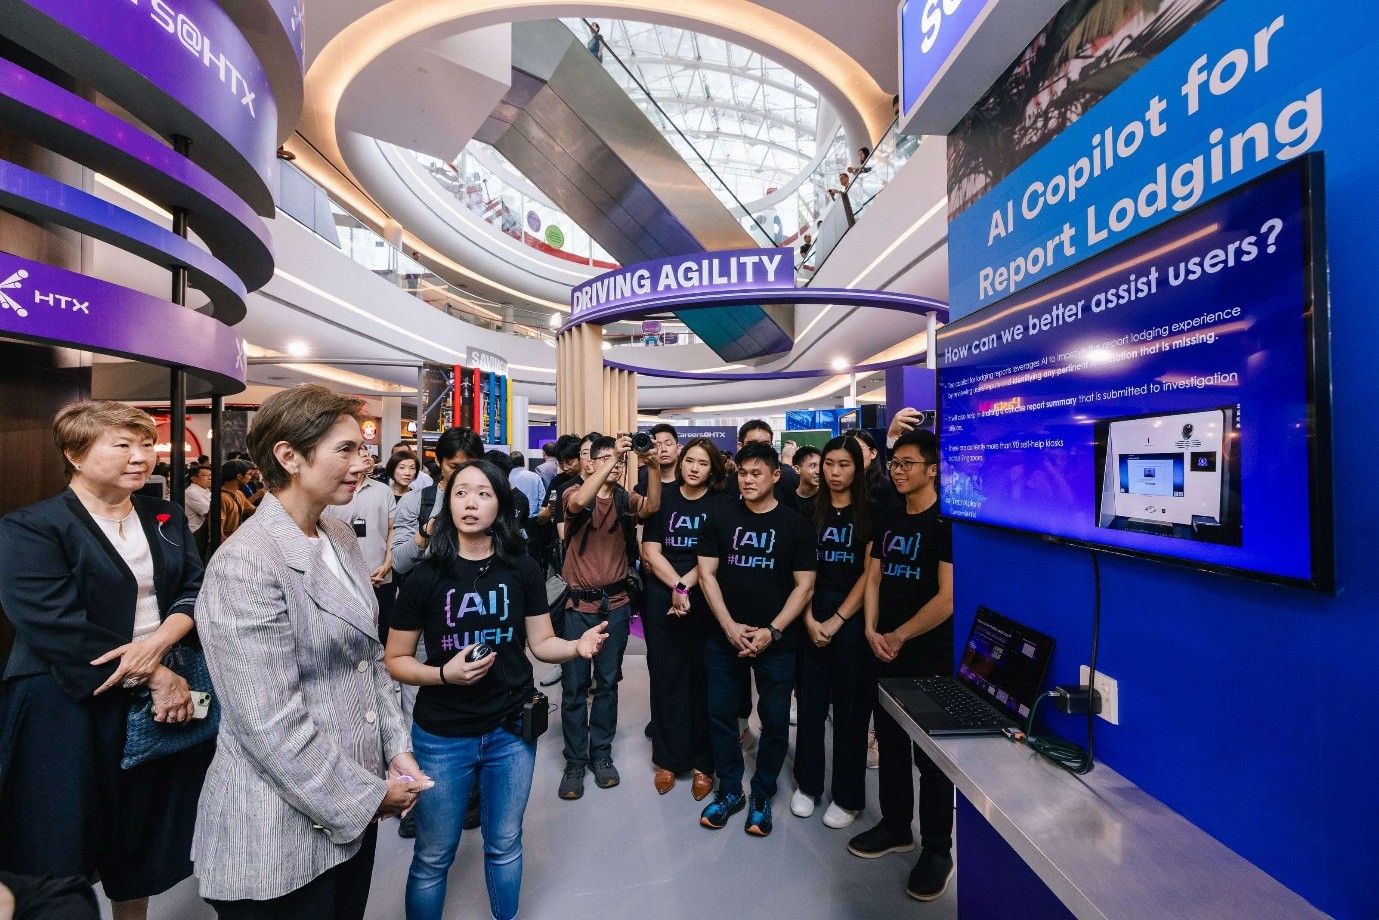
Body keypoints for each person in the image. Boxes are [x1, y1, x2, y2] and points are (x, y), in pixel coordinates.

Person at [193, 385, 429, 918]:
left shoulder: (338, 534)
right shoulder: (246, 563)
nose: (362, 463)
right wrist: (366, 798)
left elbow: (369, 660)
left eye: (361, 449)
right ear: (288, 455)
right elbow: (267, 722)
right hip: (278, 822)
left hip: (354, 795)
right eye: (345, 450)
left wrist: (396, 749)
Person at [0, 401, 207, 920]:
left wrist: (158, 647)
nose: (142, 457)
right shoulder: (32, 527)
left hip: (154, 693)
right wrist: (154, 672)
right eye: (123, 445)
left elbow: (195, 589)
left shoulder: (166, 515)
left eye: (146, 444)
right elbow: (54, 623)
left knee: (138, 830)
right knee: (58, 835)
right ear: (74, 454)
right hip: (65, 701)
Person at [386, 461, 608, 920]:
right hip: (442, 735)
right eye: (461, 493)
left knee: (505, 844)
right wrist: (443, 675)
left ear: (501, 505)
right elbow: (396, 661)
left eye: (484, 494)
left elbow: (541, 644)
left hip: (510, 731)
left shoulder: (522, 569)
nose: (471, 503)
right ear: (447, 503)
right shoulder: (425, 577)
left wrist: (576, 646)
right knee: (433, 855)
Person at [847, 429, 956, 903]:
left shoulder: (945, 523)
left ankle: (937, 850)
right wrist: (872, 629)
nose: (898, 469)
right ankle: (896, 827)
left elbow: (947, 598)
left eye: (908, 463)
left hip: (926, 654)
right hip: (881, 647)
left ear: (932, 468)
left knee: (930, 760)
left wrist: (899, 634)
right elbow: (872, 576)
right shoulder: (888, 517)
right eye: (895, 462)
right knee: (889, 743)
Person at [696, 441, 816, 836]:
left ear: (775, 476)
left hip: (776, 641)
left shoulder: (796, 524)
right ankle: (731, 790)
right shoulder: (720, 515)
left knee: (776, 719)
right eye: (742, 473)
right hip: (723, 635)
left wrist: (773, 630)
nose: (746, 480)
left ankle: (763, 790)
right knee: (719, 714)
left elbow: (804, 586)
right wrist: (729, 626)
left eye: (756, 473)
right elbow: (707, 574)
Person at [387, 427, 484, 838]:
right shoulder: (418, 499)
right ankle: (418, 800)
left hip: (474, 620)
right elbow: (400, 562)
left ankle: (470, 795)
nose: (461, 476)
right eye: (453, 468)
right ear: (439, 465)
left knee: (478, 703)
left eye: (469, 467)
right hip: (425, 624)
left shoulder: (488, 499)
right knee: (417, 711)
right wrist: (427, 531)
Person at [557, 434, 660, 800]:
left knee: (607, 685)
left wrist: (650, 464)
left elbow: (651, 508)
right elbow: (583, 498)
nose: (615, 463)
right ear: (590, 465)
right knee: (572, 688)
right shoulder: (573, 495)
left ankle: (600, 754)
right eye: (605, 458)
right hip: (576, 609)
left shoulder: (623, 498)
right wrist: (609, 459)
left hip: (614, 606)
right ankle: (574, 759)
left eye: (618, 459)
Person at [791, 437, 875, 830]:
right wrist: (808, 618)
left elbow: (869, 576)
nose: (835, 472)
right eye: (829, 464)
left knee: (850, 712)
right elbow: (799, 572)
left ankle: (848, 795)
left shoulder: (872, 513)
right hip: (809, 609)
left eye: (844, 465)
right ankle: (808, 785)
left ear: (857, 468)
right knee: (809, 705)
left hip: (852, 617)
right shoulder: (807, 511)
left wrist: (839, 620)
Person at [639, 437, 725, 799]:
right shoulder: (665, 499)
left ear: (712, 469)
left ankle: (705, 763)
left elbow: (717, 555)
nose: (693, 468)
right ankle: (669, 760)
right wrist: (676, 584)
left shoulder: (722, 504)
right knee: (666, 677)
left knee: (703, 680)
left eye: (702, 463)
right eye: (689, 460)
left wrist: (687, 587)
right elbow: (650, 549)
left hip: (705, 596)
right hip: (663, 596)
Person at [324, 446, 396, 641]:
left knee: (383, 630)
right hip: (343, 577)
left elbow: (393, 530)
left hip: (381, 575)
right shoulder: (332, 491)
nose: (364, 455)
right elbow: (322, 534)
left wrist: (386, 566)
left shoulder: (384, 491)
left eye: (365, 451)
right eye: (357, 451)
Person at [845, 427, 898, 511]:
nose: (854, 454)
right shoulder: (840, 485)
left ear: (873, 453)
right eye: (848, 450)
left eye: (859, 449)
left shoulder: (885, 488)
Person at [634, 423, 680, 497]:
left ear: (678, 449)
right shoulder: (641, 488)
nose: (663, 449)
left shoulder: (689, 482)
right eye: (658, 445)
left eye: (668, 444)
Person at [219, 458, 257, 541]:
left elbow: (254, 511)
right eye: (250, 474)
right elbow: (218, 534)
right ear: (239, 476)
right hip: (223, 547)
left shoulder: (238, 494)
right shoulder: (222, 498)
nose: (251, 477)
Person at [185, 464, 213, 559]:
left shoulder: (206, 490)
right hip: (196, 532)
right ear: (194, 479)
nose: (210, 478)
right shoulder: (192, 492)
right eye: (206, 476)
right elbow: (208, 512)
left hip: (204, 531)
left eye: (211, 475)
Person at [507, 451, 545, 515]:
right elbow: (542, 498)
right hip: (532, 518)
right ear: (524, 463)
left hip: (512, 517)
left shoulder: (506, 477)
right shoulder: (535, 477)